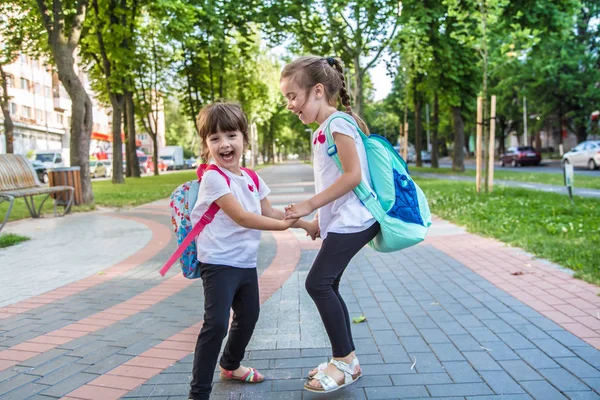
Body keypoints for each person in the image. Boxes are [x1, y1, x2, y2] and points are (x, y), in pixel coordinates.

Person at [188, 102, 316, 400]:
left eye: (231, 135)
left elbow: (268, 212)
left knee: (249, 316)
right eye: (215, 138)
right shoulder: (213, 178)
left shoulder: (251, 178)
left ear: (245, 138)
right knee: (216, 324)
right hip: (218, 263)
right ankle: (198, 393)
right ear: (206, 146)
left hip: (245, 263)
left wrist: (305, 225)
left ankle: (230, 365)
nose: (224, 144)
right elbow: (243, 217)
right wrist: (283, 229)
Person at [280, 56, 380, 393]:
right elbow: (332, 181)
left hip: (357, 221)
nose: (290, 105)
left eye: (293, 96)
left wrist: (310, 204)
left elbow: (353, 176)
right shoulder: (325, 130)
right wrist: (315, 222)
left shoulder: (338, 124)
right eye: (286, 99)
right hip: (343, 222)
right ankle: (345, 361)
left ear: (318, 91)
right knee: (327, 284)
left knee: (317, 284)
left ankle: (345, 361)